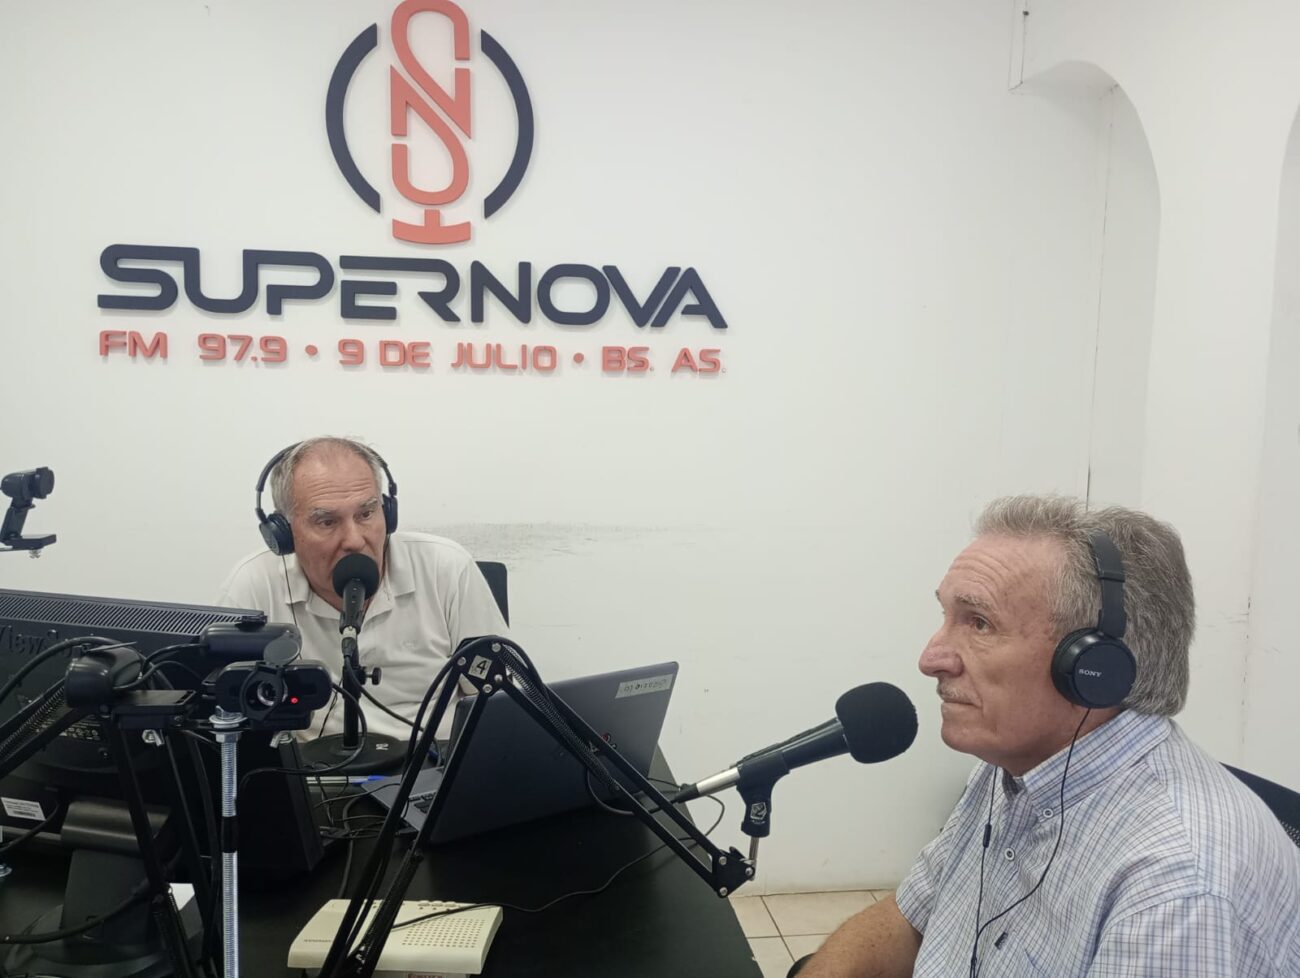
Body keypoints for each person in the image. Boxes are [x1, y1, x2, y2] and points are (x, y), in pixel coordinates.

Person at [796, 495, 1300, 977]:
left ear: (1093, 667)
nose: (931, 658)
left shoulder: (1176, 887)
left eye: (979, 623)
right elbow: (913, 917)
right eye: (946, 617)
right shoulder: (1015, 763)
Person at [216, 437, 508, 742]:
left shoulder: (445, 568)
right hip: (308, 765)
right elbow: (223, 717)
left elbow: (498, 700)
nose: (354, 540)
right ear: (284, 533)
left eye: (366, 514)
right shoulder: (253, 585)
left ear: (387, 513)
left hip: (433, 759)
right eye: (327, 522)